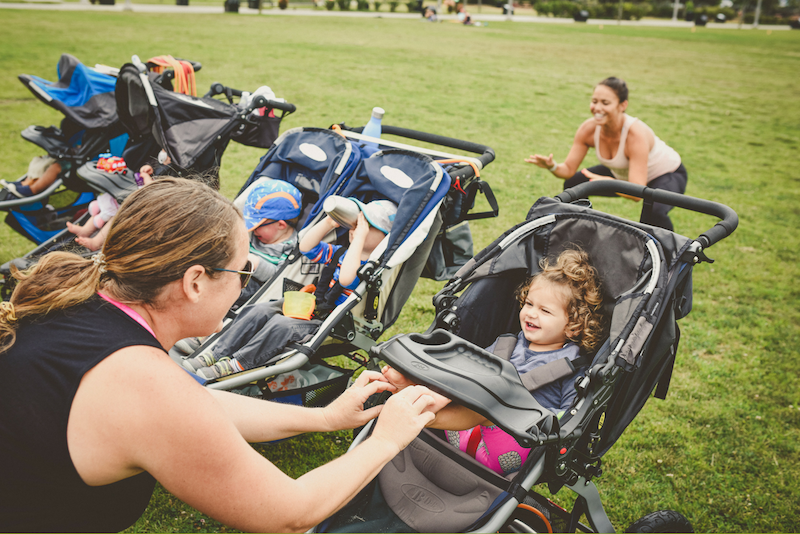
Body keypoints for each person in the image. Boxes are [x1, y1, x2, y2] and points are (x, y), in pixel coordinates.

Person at [0, 177, 436, 532]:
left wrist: (324, 420)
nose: (245, 284)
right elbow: (289, 513)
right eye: (243, 272)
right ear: (195, 282)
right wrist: (386, 440)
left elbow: (196, 407)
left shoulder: (69, 303)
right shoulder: (148, 388)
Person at [383, 248, 606, 476]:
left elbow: (570, 416)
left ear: (573, 326)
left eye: (545, 311)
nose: (531, 313)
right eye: (529, 304)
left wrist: (532, 416)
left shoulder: (571, 366)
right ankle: (414, 392)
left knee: (492, 401)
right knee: (466, 380)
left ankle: (416, 416)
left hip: (512, 447)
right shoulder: (506, 344)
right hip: (464, 432)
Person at [183, 198, 398, 380]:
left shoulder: (369, 269)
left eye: (366, 227)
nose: (356, 231)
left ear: (385, 238)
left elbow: (346, 277)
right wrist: (329, 223)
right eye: (355, 226)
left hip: (330, 323)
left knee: (281, 324)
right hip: (312, 307)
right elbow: (306, 247)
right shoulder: (340, 252)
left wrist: (359, 240)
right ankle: (216, 353)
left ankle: (237, 365)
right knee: (260, 310)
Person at [525, 77, 688, 231]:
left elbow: (638, 191)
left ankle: (675, 256)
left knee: (654, 212)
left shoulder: (635, 134)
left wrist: (609, 182)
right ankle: (580, 231)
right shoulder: (588, 129)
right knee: (574, 183)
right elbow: (568, 169)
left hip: (667, 174)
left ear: (622, 105)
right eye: (594, 101)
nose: (597, 108)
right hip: (623, 175)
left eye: (605, 103)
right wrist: (552, 166)